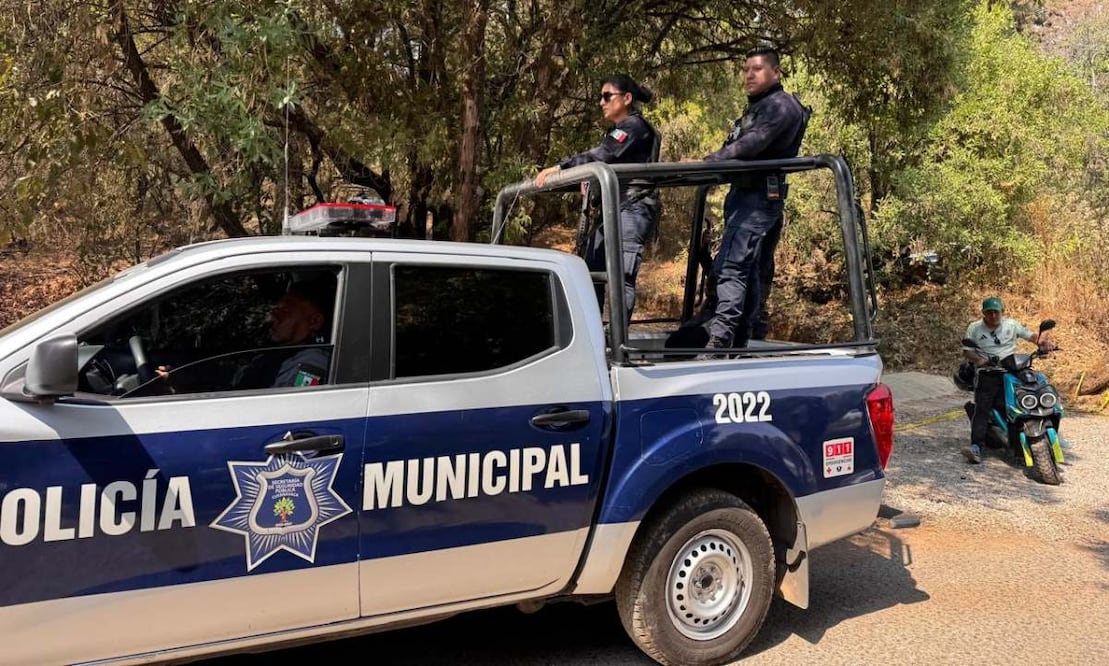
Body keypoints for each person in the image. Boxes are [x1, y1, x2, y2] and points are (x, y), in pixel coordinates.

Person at [698, 46, 810, 357]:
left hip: (758, 200)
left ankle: (719, 342)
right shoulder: (760, 107)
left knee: (732, 268)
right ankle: (738, 341)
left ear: (776, 72)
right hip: (746, 197)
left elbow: (752, 143)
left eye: (757, 69)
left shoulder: (781, 106)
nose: (749, 75)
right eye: (746, 69)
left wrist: (709, 162)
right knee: (743, 271)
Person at [535, 74, 661, 322]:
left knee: (620, 278)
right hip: (614, 208)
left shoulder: (634, 128)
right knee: (592, 272)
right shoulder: (619, 130)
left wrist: (561, 167)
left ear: (627, 98)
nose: (602, 102)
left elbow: (601, 155)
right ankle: (595, 333)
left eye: (607, 96)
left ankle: (617, 339)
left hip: (632, 208)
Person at [960, 296, 1045, 464]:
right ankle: (976, 447)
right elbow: (967, 351)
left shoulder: (1011, 325)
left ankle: (1034, 436)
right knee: (982, 408)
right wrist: (979, 360)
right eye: (989, 312)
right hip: (988, 371)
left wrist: (1043, 343)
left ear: (1002, 312)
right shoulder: (975, 328)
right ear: (983, 313)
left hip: (1012, 368)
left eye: (996, 312)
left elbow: (1030, 336)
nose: (993, 315)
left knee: (1027, 397)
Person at [233, 274, 336, 389]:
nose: (273, 317)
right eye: (276, 310)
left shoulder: (312, 363)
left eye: (284, 312)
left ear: (315, 322)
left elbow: (294, 399)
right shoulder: (281, 353)